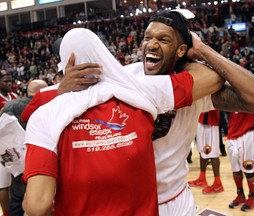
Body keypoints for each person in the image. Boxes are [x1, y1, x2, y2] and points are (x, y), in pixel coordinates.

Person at [22, 10, 254, 216]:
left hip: (173, 201)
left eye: (164, 40)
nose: (151, 44)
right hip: (125, 204)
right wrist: (63, 91)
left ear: (180, 50)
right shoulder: (126, 77)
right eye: (147, 37)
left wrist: (204, 51)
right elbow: (69, 102)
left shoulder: (196, 89)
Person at [22, 28, 211, 216]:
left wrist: (60, 94)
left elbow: (38, 206)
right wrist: (200, 50)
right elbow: (212, 78)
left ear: (65, 63)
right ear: (103, 54)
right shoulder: (140, 91)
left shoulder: (46, 113)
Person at [0, 79, 48, 216]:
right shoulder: (50, 104)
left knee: (16, 195)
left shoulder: (11, 104)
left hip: (16, 157)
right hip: (42, 157)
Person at [226, 112, 254, 212]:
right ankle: (240, 195)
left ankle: (253, 197)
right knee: (235, 169)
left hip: (247, 132)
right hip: (232, 133)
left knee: (248, 170)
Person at [188, 110, 224, 194]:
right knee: (202, 151)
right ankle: (202, 178)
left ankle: (218, 183)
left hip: (210, 121)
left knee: (213, 153)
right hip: (201, 118)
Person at [0, 69, 18, 216]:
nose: (9, 83)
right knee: (3, 183)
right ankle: (6, 213)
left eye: (10, 81)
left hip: (13, 144)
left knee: (14, 179)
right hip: (0, 144)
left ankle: (14, 209)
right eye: (5, 81)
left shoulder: (14, 96)